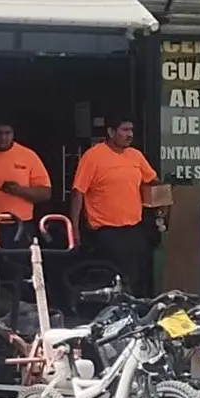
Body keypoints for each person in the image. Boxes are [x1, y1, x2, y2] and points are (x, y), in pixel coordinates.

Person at [69, 117, 159, 293]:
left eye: (131, 130)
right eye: (124, 130)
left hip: (134, 227)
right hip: (106, 230)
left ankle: (136, 311)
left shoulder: (135, 156)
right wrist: (74, 229)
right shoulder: (93, 156)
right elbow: (77, 193)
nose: (130, 134)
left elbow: (153, 182)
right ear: (111, 132)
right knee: (115, 276)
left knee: (137, 275)